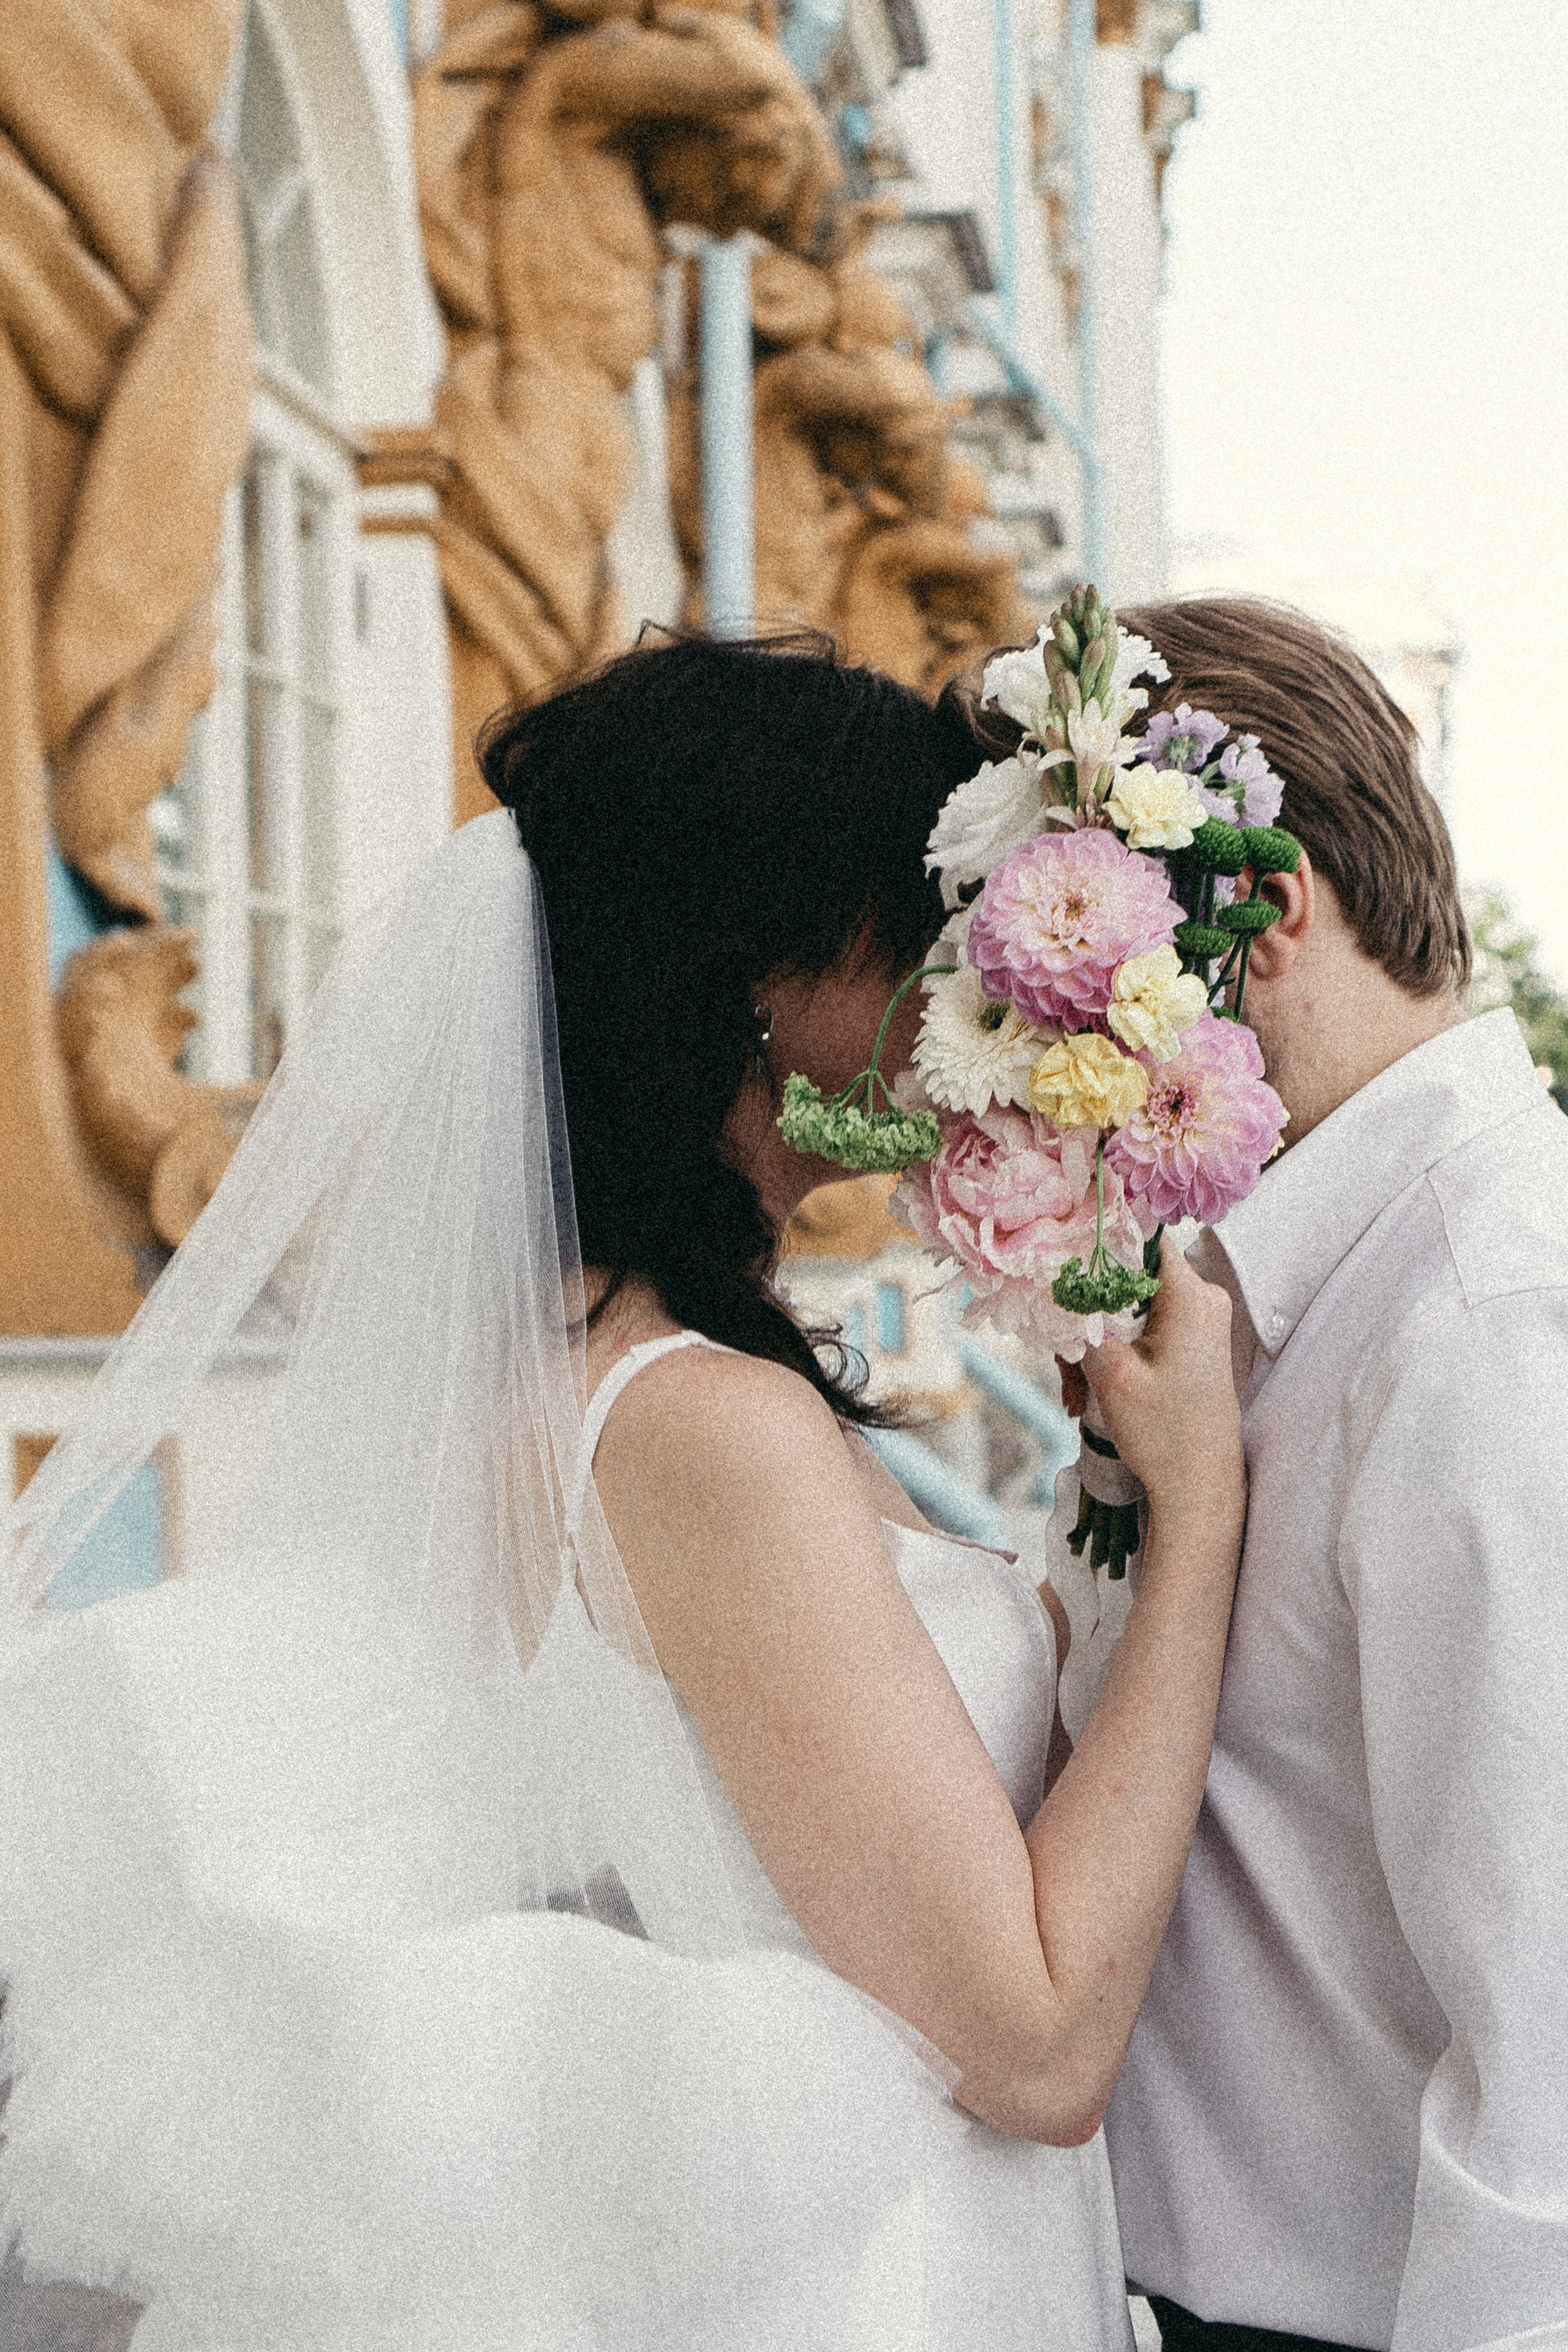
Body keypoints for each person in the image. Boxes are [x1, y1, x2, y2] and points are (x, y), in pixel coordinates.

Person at [0, 634, 1243, 2349]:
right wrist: (1203, 1528)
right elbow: (1032, 2047)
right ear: (755, 972)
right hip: (882, 2274)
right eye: (912, 930)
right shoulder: (697, 1425)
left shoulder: (588, 1371)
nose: (950, 990)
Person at [1065, 597, 1568, 2352]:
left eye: (1068, 980)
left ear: (1263, 915)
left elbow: (1555, 2054)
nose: (1056, 1069)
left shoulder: (1498, 1315)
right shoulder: (1269, 1293)